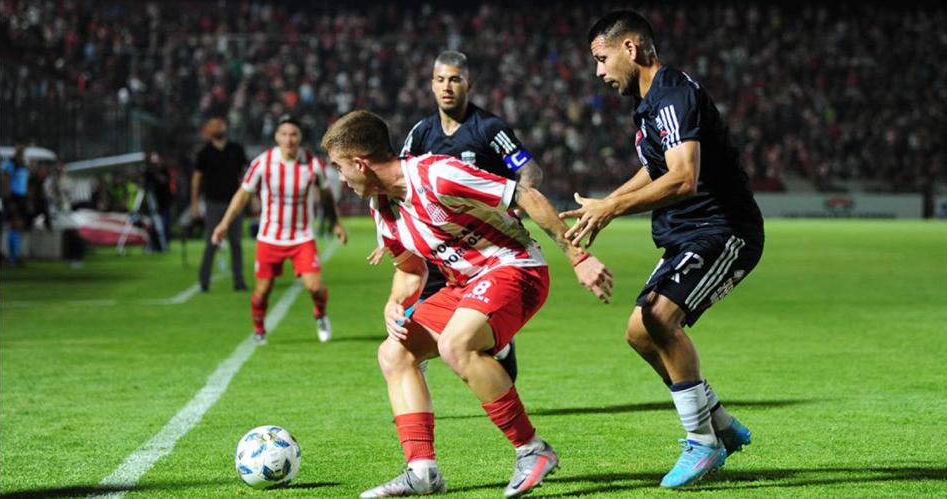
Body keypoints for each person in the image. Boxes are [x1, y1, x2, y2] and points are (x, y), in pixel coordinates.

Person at [321, 110, 612, 498]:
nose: (340, 179)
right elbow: (410, 269)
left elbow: (525, 195)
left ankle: (532, 450)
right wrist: (394, 302)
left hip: (515, 267)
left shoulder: (437, 175)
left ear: (360, 163)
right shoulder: (383, 207)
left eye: (339, 167)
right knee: (394, 353)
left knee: (455, 344)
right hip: (464, 284)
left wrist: (577, 256)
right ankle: (422, 471)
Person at [561, 10, 766, 488]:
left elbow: (683, 177)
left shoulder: (672, 96)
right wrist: (608, 202)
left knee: (658, 318)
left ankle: (703, 442)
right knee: (639, 332)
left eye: (601, 58)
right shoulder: (652, 101)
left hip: (724, 231)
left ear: (630, 48)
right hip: (689, 234)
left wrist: (612, 209)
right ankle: (719, 422)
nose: (598, 72)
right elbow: (658, 167)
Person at [374, 50, 545, 383]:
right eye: (440, 80)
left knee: (475, 340)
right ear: (431, 85)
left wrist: (517, 205)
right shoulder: (421, 132)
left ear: (469, 84)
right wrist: (389, 231)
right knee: (410, 327)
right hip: (438, 246)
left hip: (483, 247)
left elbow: (530, 170)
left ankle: (499, 357)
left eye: (455, 79)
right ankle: (415, 393)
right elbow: (397, 181)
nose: (447, 87)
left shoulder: (489, 129)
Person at [211, 115, 347, 344]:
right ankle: (259, 329)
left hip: (302, 237)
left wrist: (335, 223)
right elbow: (243, 195)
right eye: (284, 134)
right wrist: (224, 223)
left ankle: (321, 315)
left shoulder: (313, 164)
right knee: (263, 290)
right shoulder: (262, 163)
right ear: (276, 137)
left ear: (300, 137)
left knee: (315, 287)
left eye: (293, 134)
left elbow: (326, 196)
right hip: (270, 238)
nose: (288, 139)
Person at [193, 117, 249, 291]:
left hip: (234, 203)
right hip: (213, 203)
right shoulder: (204, 152)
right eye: (214, 125)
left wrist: (250, 196)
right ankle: (204, 281)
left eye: (220, 124)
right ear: (208, 130)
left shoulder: (236, 149)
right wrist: (194, 202)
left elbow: (245, 175)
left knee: (236, 243)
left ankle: (239, 281)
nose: (218, 127)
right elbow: (197, 179)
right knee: (212, 242)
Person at [0, 141, 30, 266]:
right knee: (13, 225)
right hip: (13, 197)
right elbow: (5, 181)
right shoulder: (9, 162)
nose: (22, 150)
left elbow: (25, 182)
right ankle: (12, 257)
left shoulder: (24, 163)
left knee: (18, 226)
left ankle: (14, 256)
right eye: (20, 148)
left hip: (21, 197)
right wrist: (8, 199)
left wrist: (27, 198)